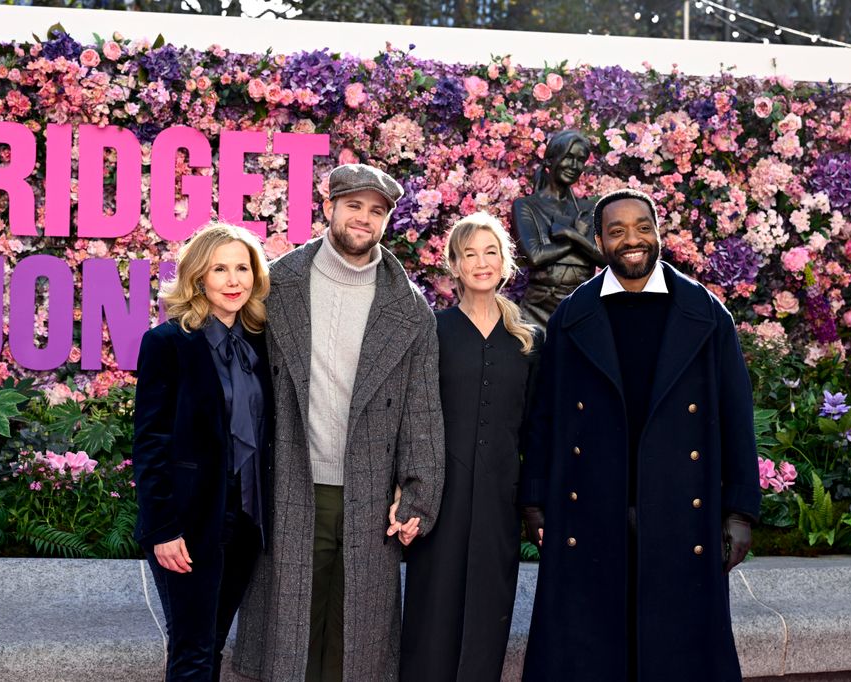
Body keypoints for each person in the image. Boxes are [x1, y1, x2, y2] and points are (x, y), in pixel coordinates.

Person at [519, 188, 760, 681]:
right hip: (591, 510)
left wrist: (739, 512)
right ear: (599, 241)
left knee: (677, 657)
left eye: (642, 227)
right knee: (591, 654)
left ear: (658, 233)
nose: (632, 240)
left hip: (680, 513)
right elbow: (546, 416)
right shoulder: (572, 315)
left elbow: (737, 415)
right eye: (617, 231)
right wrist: (535, 501)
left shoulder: (706, 312)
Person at [233, 163, 445, 682]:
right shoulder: (276, 284)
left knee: (354, 642)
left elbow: (421, 409)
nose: (363, 218)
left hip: (369, 493)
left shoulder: (409, 308)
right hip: (289, 482)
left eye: (376, 211)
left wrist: (419, 495)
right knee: (291, 634)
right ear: (329, 207)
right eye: (353, 205)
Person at [399, 212, 542, 682]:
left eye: (491, 252)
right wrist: (404, 491)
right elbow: (407, 417)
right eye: (470, 254)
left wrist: (534, 504)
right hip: (440, 498)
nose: (481, 263)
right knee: (432, 613)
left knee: (488, 614)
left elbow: (537, 430)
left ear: (505, 262)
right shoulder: (432, 332)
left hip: (501, 501)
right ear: (454, 266)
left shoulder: (528, 341)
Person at [132, 222, 274, 681]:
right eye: (220, 269)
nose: (234, 281)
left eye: (242, 268)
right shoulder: (167, 343)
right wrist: (163, 529)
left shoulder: (261, 344)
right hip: (187, 523)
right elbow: (150, 443)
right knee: (192, 650)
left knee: (211, 644)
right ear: (198, 276)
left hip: (246, 520)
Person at [513, 129, 606, 328]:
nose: (574, 165)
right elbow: (535, 256)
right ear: (550, 160)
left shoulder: (588, 209)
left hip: (580, 308)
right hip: (537, 309)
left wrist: (570, 234)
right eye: (568, 157)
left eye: (580, 160)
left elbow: (603, 257)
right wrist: (580, 242)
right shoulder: (526, 205)